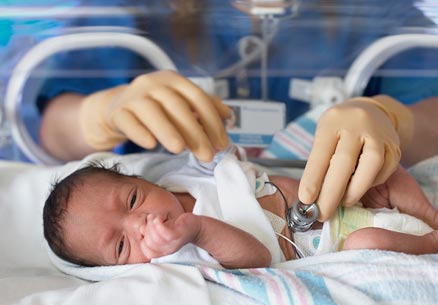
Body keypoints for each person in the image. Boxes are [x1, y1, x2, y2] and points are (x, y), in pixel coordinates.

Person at [12, 0, 436, 222]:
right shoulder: (130, 10)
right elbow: (44, 130)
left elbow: (431, 114)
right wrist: (100, 114)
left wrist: (391, 117)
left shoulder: (376, 12)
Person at [43, 147, 438, 271]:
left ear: (143, 181)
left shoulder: (181, 176)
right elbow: (256, 257)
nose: (140, 223)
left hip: (344, 200)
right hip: (345, 239)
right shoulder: (177, 258)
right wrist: (197, 229)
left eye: (131, 200)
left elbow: (214, 145)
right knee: (366, 241)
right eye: (121, 246)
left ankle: (431, 216)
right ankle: (431, 242)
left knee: (383, 170)